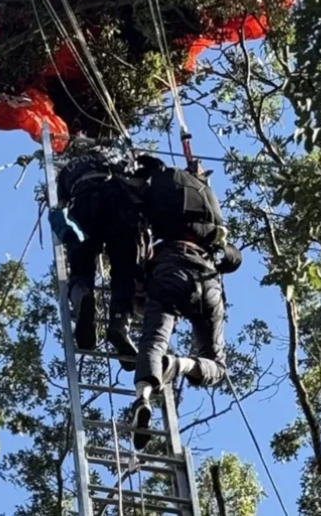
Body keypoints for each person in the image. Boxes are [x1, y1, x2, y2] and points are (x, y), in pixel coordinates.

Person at [129, 154, 242, 450]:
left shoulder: (159, 198)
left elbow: (137, 235)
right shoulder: (208, 206)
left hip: (171, 270)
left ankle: (143, 395)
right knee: (217, 367)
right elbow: (230, 254)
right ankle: (180, 364)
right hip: (209, 281)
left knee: (154, 339)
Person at [54, 138, 146, 371]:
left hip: (83, 204)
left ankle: (83, 295)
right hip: (118, 205)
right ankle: (119, 324)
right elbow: (137, 180)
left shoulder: (67, 170)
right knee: (125, 271)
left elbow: (61, 207)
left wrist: (68, 234)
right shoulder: (113, 158)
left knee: (82, 266)